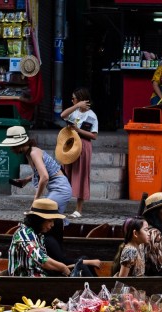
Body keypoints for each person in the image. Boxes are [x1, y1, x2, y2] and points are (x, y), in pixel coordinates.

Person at [2, 126, 72, 216]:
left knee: (42, 214)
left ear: (18, 145)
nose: (11, 149)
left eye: (12, 146)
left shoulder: (34, 153)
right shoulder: (29, 153)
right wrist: (26, 180)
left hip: (61, 189)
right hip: (57, 189)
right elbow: (41, 172)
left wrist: (37, 197)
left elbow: (45, 177)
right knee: (49, 218)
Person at [8, 198, 72, 277]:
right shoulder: (25, 233)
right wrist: (63, 268)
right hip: (25, 281)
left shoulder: (38, 234)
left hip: (40, 277)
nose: (52, 225)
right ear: (39, 220)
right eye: (49, 221)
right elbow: (42, 260)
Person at [60, 87, 98, 219]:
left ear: (81, 99)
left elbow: (93, 135)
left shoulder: (91, 115)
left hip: (83, 145)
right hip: (71, 143)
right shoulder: (74, 111)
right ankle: (62, 205)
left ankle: (79, 209)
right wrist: (76, 106)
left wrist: (78, 130)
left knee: (80, 175)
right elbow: (62, 115)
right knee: (66, 173)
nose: (72, 100)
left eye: (74, 98)